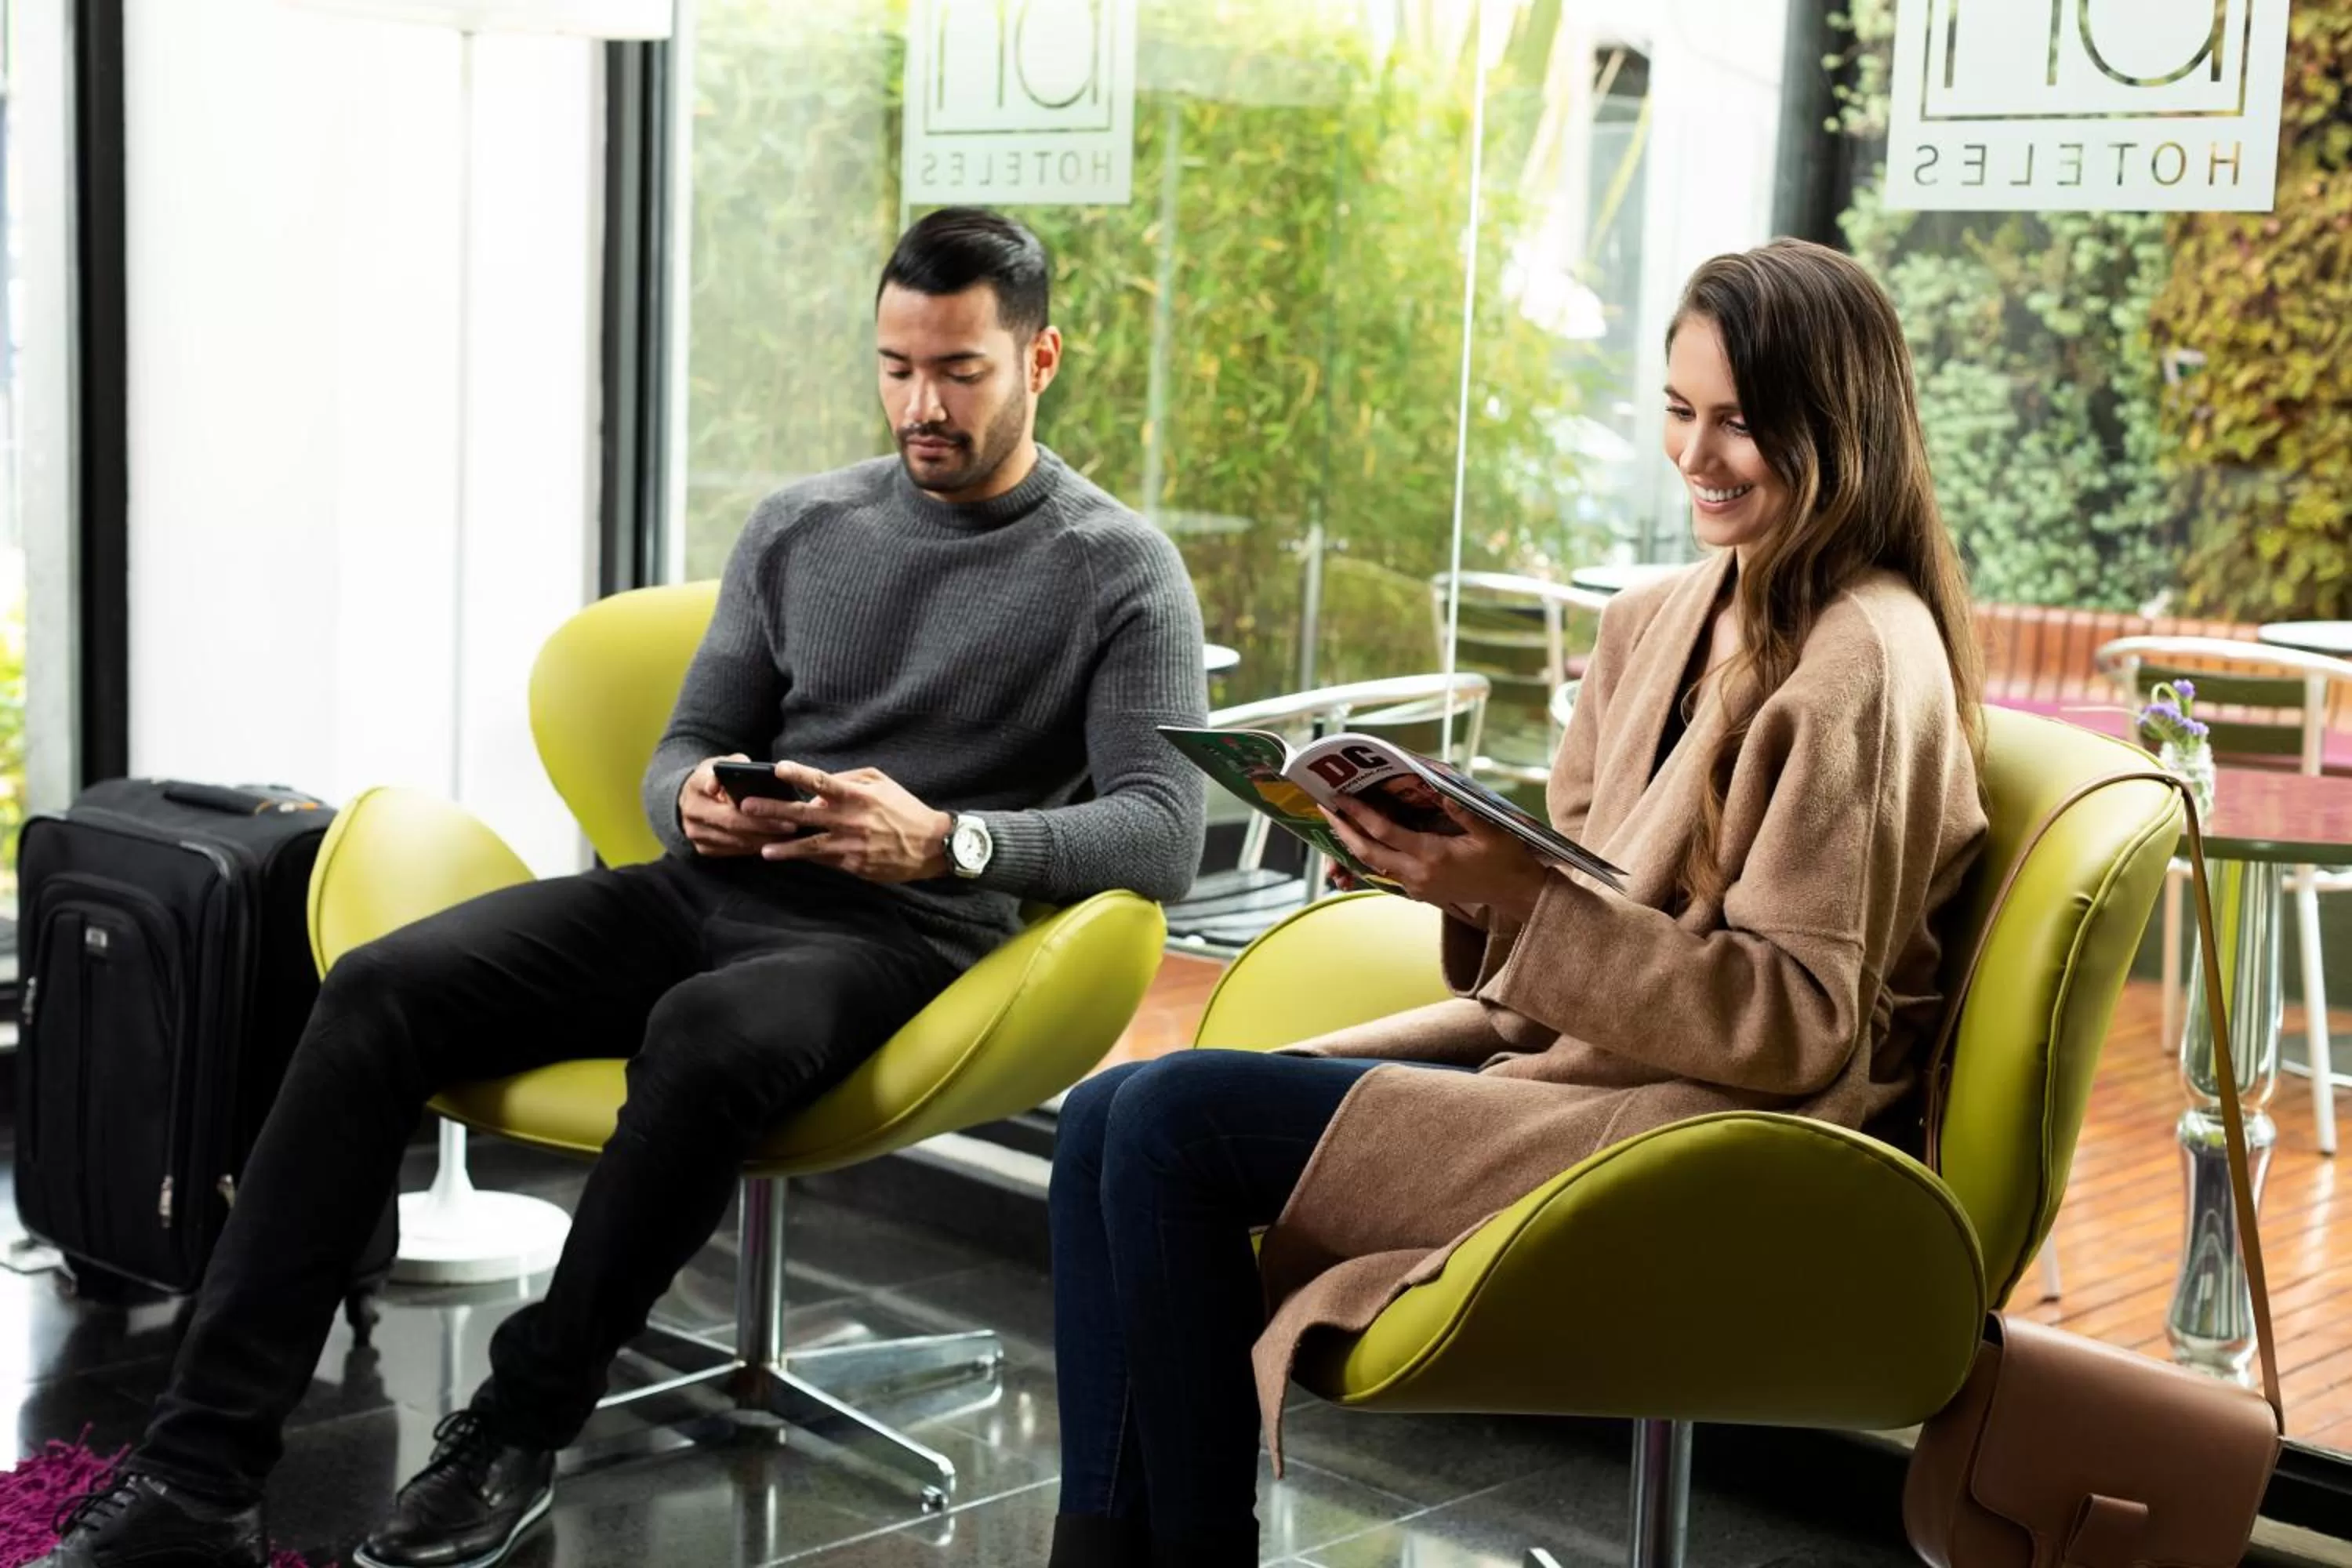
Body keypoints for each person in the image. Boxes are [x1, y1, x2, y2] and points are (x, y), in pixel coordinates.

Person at [41, 206, 1209, 1568]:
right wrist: (692, 796)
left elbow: (1161, 831)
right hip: (701, 887)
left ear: (1041, 359)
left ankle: (519, 1430)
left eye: (959, 370)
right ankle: (199, 1474)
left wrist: (949, 841)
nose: (920, 403)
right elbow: (683, 740)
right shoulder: (803, 527)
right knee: (376, 989)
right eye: (896, 366)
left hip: (896, 932)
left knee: (707, 1038)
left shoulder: (1120, 571)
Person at [1044, 238, 1991, 1567]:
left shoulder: (1865, 663)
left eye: (1741, 422)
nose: (1698, 455)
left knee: (1171, 1130)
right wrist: (1442, 870)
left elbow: (1800, 1024)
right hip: (1570, 1067)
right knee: (1100, 1114)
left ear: (1840, 429)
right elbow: (1590, 892)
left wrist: (1517, 906)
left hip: (1715, 1130)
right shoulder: (1660, 619)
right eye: (1678, 410)